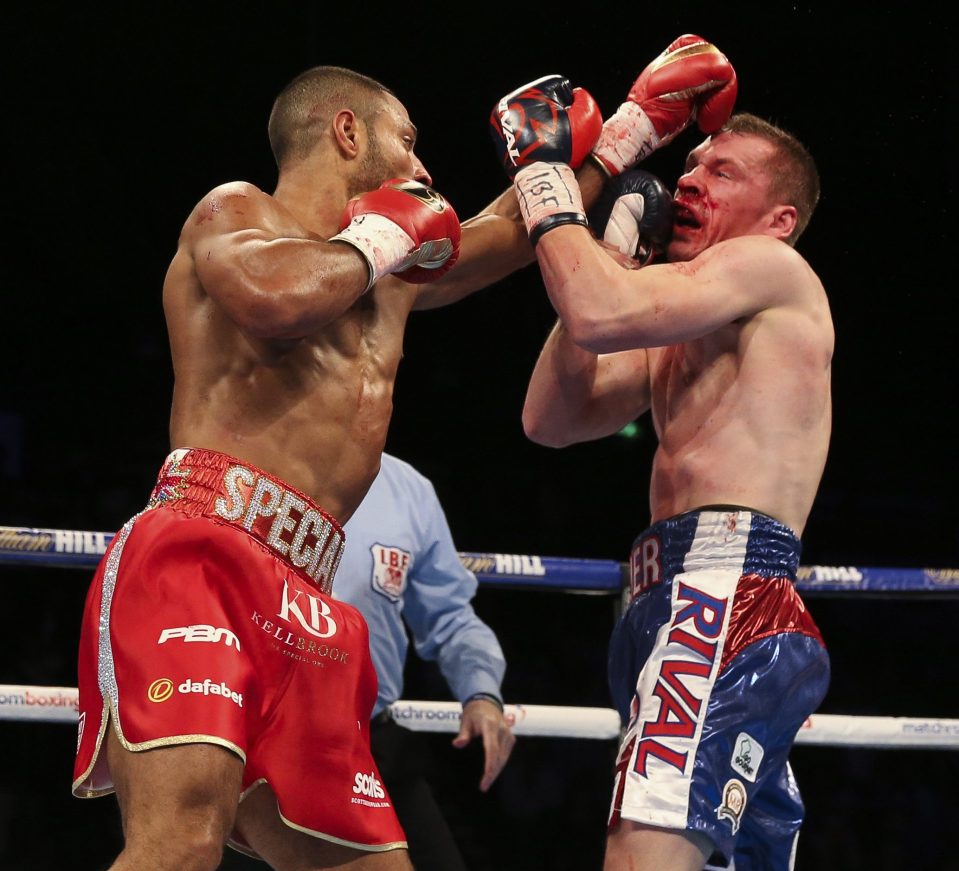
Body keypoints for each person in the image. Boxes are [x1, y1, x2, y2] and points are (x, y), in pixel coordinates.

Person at [68, 63, 589, 871]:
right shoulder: (236, 209)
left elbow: (509, 236)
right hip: (203, 554)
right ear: (348, 132)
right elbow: (271, 298)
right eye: (408, 142)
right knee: (179, 846)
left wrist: (626, 133)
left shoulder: (393, 278)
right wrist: (387, 232)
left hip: (307, 595)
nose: (424, 169)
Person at [503, 56, 833, 870]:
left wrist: (546, 180)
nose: (687, 178)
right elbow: (550, 416)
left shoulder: (771, 269)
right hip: (669, 601)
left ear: (778, 217)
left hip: (721, 599)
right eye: (687, 163)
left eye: (720, 170)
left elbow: (595, 309)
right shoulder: (687, 324)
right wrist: (614, 248)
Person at [334, 451, 513, 871]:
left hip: (366, 741)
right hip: (257, 734)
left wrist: (481, 691)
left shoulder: (408, 490)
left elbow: (450, 617)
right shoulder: (251, 462)